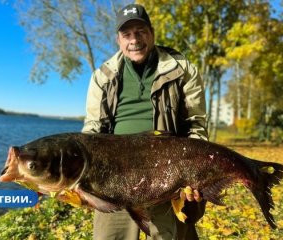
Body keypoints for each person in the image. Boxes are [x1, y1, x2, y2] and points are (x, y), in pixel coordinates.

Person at [82, 3, 208, 240]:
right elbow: (92, 130)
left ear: (151, 33)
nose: (134, 40)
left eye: (140, 32)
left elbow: (196, 124)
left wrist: (193, 174)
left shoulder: (182, 69)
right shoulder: (103, 76)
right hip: (114, 179)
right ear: (118, 40)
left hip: (170, 174)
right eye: (126, 34)